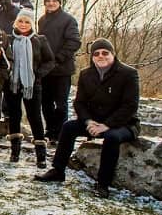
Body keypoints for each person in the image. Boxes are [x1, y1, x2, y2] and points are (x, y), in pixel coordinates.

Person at [34, 39, 140, 198]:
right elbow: (80, 103)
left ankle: (103, 184)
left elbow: (130, 106)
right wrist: (88, 121)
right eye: (96, 53)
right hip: (94, 121)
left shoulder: (128, 74)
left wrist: (106, 125)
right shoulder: (86, 74)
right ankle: (58, 170)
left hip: (123, 124)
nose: (101, 56)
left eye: (105, 53)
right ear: (92, 56)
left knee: (112, 138)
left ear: (113, 54)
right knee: (68, 127)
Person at [4, 9, 55, 167]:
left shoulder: (40, 40)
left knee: (35, 116)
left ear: (32, 24)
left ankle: (41, 155)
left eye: (27, 22)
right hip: (12, 83)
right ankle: (14, 152)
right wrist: (6, 73)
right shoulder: (8, 39)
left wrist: (38, 74)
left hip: (32, 84)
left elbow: (50, 61)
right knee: (14, 115)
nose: (23, 24)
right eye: (21, 21)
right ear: (15, 22)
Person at [37, 0, 81, 146]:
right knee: (46, 103)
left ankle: (61, 132)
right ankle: (50, 131)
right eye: (48, 1)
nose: (51, 3)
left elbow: (74, 41)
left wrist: (59, 58)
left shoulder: (68, 20)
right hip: (45, 69)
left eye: (54, 1)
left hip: (62, 69)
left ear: (59, 3)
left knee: (61, 104)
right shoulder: (42, 20)